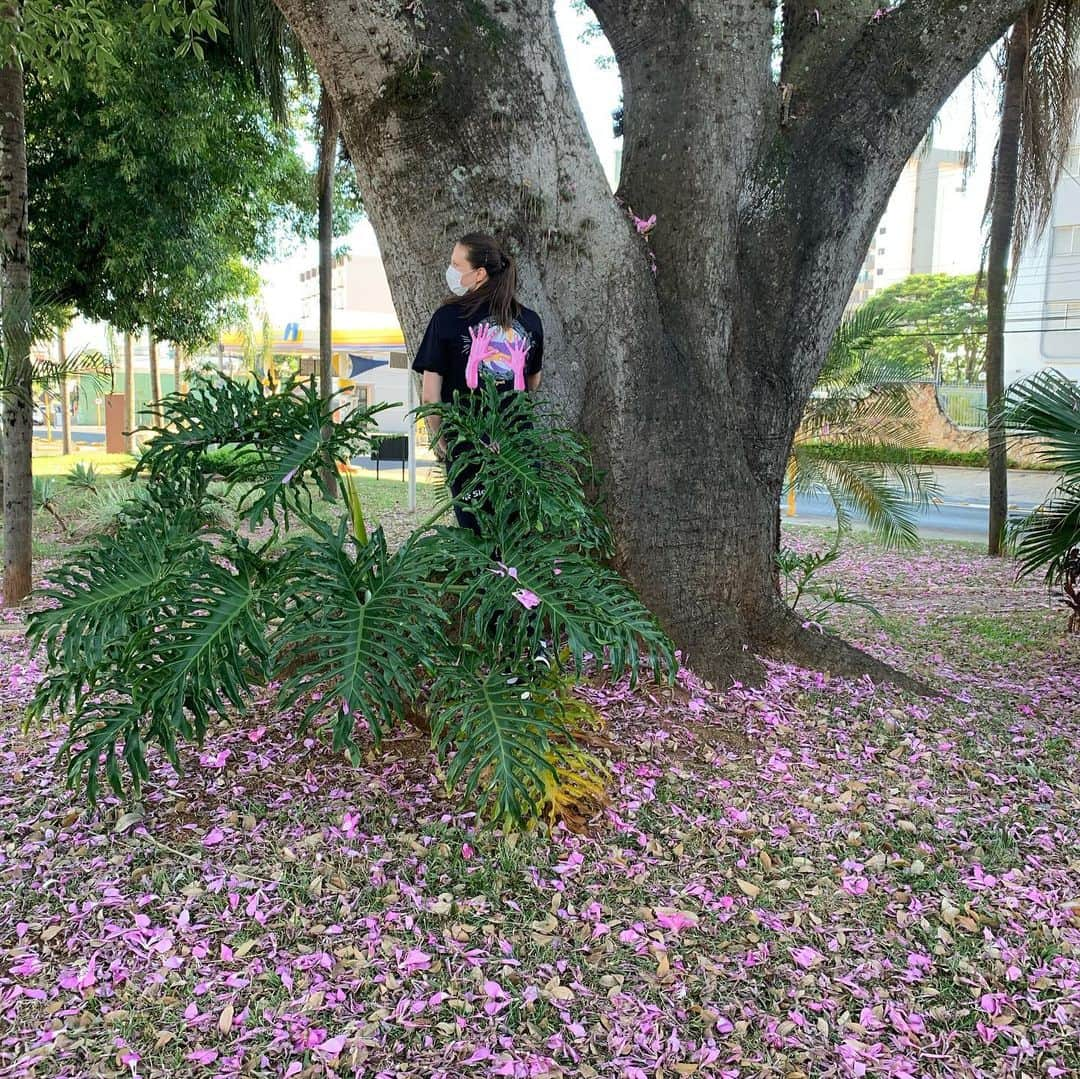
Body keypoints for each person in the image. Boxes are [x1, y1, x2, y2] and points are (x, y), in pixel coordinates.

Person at [413, 232, 543, 533]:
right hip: (518, 452)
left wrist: (441, 442)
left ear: (480, 273)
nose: (451, 272)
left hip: (467, 449)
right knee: (516, 543)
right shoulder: (531, 322)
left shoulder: (446, 318)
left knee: (479, 542)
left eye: (456, 265)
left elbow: (430, 396)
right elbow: (532, 381)